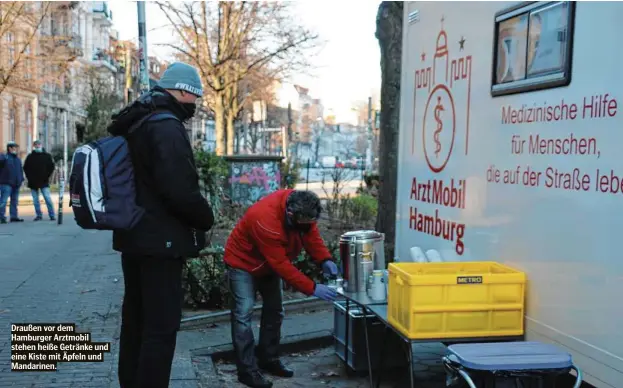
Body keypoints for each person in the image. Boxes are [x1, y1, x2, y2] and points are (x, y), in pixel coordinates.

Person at [106, 62, 215, 388]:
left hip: (133, 237)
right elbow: (179, 190)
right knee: (161, 328)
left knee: (136, 322)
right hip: (161, 242)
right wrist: (205, 218)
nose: (193, 106)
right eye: (193, 98)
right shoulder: (166, 126)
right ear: (184, 92)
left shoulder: (139, 121)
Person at [224, 189, 339, 388]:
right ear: (290, 215)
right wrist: (312, 288)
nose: (306, 227)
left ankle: (268, 359)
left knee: (275, 311)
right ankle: (247, 371)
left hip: (268, 264)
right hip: (243, 263)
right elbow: (282, 266)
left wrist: (325, 259)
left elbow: (311, 236)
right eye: (302, 224)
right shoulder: (265, 221)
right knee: (243, 313)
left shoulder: (302, 207)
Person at [23, 140, 56, 221]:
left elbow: (51, 167)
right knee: (35, 200)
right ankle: (39, 215)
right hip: (33, 182)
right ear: (34, 146)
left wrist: (47, 176)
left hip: (44, 181)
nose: (37, 146)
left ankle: (52, 215)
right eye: (36, 145)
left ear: (41, 145)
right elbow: (25, 168)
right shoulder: (30, 156)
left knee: (47, 198)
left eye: (39, 144)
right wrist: (29, 177)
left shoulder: (47, 156)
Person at [0, 141, 25, 224]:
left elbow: (20, 171)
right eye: (14, 147)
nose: (16, 149)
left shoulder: (17, 159)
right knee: (3, 201)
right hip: (6, 183)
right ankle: (1, 217)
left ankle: (14, 216)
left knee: (14, 201)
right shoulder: (4, 157)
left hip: (16, 184)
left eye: (16, 147)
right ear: (9, 148)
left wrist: (21, 179)